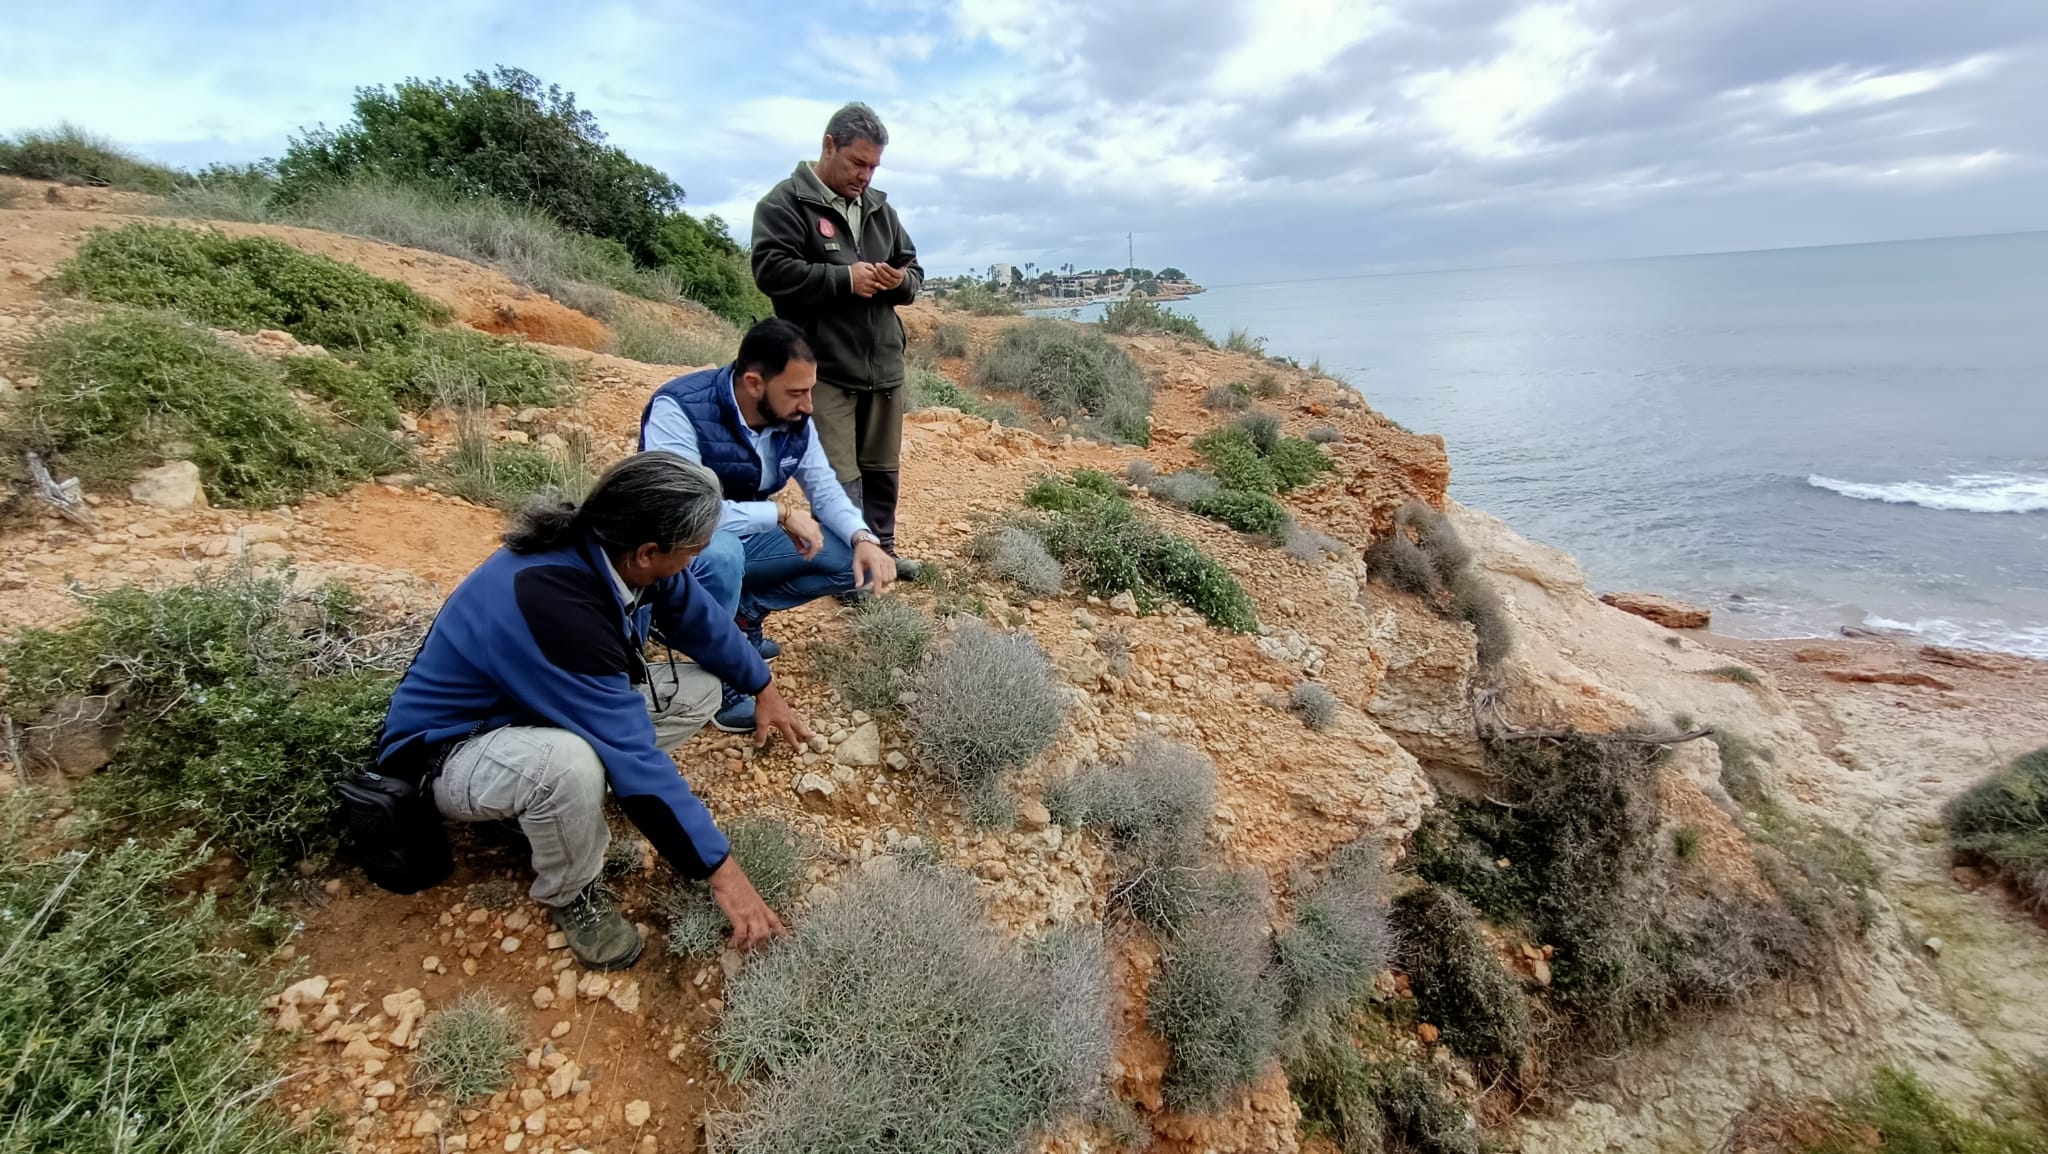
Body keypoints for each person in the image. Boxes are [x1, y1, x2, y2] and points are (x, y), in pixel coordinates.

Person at [374, 453, 814, 970]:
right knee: (569, 764)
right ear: (650, 551)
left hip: (526, 714)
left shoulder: (617, 545)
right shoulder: (553, 601)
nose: (696, 561)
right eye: (694, 551)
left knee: (698, 692)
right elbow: (635, 760)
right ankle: (571, 893)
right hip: (450, 752)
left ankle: (550, 809)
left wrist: (762, 686)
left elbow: (697, 620)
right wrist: (727, 877)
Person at [640, 318, 898, 733]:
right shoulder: (680, 408)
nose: (809, 405)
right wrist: (777, 513)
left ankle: (742, 619)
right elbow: (679, 510)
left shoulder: (792, 418)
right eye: (797, 392)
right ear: (755, 383)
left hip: (743, 538)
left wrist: (864, 537)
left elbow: (825, 490)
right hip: (678, 549)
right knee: (722, 554)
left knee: (847, 557)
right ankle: (725, 682)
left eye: (810, 390)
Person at [750, 101, 925, 571]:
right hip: (823, 367)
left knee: (881, 471)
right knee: (837, 475)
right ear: (829, 146)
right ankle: (846, 567)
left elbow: (914, 271)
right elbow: (770, 271)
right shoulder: (784, 203)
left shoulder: (880, 209)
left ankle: (882, 553)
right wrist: (844, 279)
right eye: (857, 162)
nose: (865, 175)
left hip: (883, 364)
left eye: (873, 166)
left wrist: (898, 283)